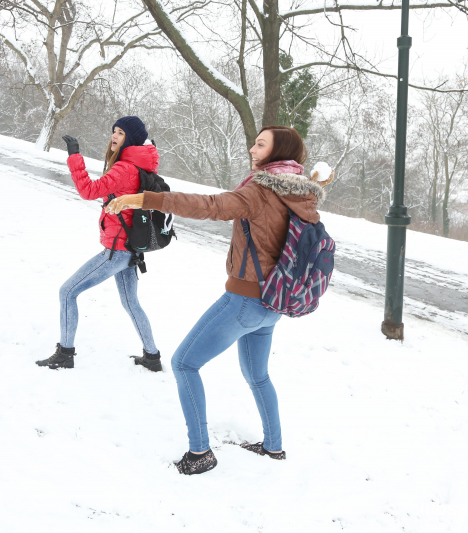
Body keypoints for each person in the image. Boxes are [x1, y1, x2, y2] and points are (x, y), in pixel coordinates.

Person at [106, 126, 327, 475]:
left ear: (277, 152)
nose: (253, 148)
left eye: (260, 144)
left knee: (183, 363)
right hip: (275, 304)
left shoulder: (259, 191)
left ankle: (200, 453)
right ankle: (273, 446)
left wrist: (145, 199)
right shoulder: (301, 193)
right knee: (258, 375)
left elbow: (210, 206)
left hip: (245, 301)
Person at [35, 116, 163, 372]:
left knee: (67, 292)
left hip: (116, 251)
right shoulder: (141, 167)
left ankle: (65, 354)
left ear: (132, 139)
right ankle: (152, 357)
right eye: (114, 131)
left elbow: (89, 191)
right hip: (130, 250)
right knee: (130, 303)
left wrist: (75, 158)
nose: (114, 136)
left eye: (120, 133)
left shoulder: (124, 168)